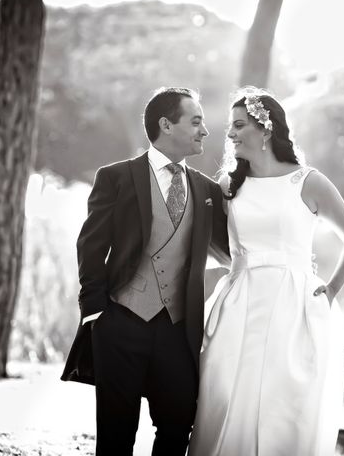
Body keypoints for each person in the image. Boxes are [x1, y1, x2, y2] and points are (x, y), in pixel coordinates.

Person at [189, 87, 344, 455]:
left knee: (284, 406)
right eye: (230, 128)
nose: (231, 134)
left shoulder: (308, 182)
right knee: (223, 398)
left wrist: (331, 290)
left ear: (265, 129)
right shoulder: (228, 187)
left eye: (239, 125)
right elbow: (211, 244)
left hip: (294, 307)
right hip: (238, 304)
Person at [60, 87, 230, 455]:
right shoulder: (116, 177)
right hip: (119, 322)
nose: (205, 131)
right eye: (196, 121)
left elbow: (231, 251)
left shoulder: (208, 190)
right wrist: (95, 312)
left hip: (178, 330)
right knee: (115, 434)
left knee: (177, 427)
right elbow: (90, 245)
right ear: (166, 125)